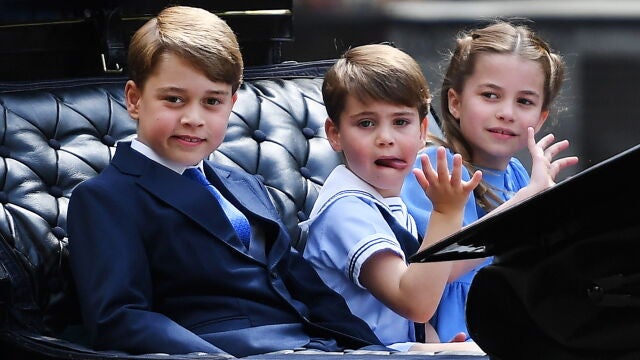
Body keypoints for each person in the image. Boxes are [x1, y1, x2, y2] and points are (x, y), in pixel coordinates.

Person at [67, 6, 388, 357]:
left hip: (316, 346)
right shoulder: (106, 198)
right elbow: (120, 317)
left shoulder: (244, 184)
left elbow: (310, 290)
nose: (193, 118)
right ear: (134, 99)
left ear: (231, 104)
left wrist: (384, 352)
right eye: (174, 99)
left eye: (212, 102)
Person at [300, 43, 487, 353]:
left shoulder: (384, 200)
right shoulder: (346, 209)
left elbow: (437, 275)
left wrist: (522, 205)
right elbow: (414, 303)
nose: (385, 138)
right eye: (366, 123)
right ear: (334, 134)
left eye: (400, 122)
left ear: (422, 131)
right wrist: (446, 213)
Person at [401, 20, 579, 343]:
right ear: (455, 102)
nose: (506, 112)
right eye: (490, 95)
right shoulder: (434, 167)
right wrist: (524, 203)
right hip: (452, 339)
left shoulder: (517, 175)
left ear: (540, 117)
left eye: (524, 101)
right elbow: (440, 274)